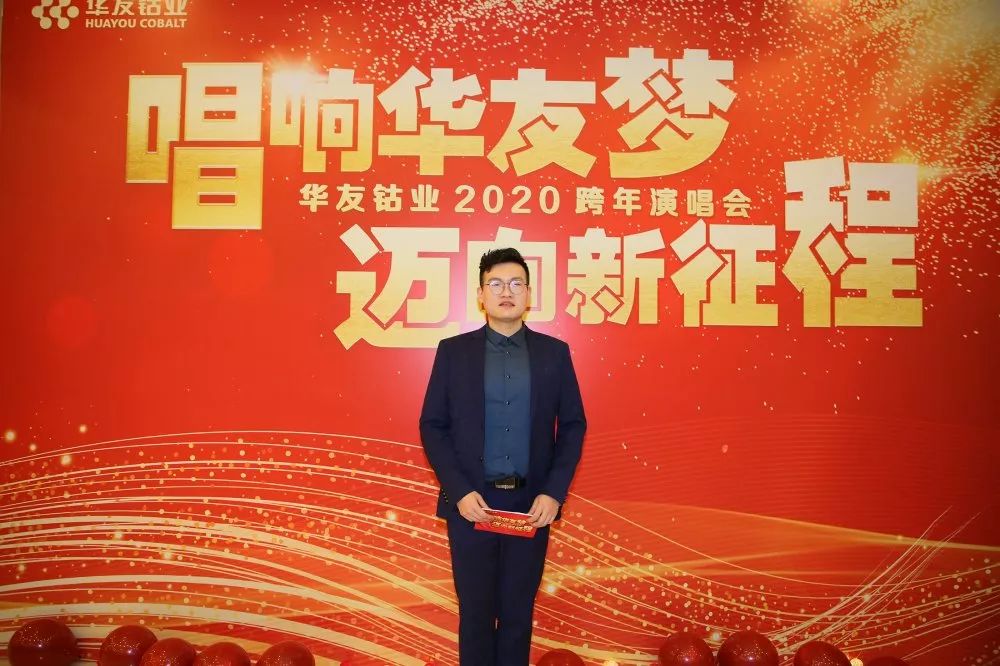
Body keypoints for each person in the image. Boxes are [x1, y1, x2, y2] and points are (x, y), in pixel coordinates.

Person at [420, 247, 587, 665]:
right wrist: (458, 491)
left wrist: (553, 493)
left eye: (516, 283)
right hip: (472, 504)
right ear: (481, 295)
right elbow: (432, 425)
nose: (506, 291)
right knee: (475, 615)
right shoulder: (453, 352)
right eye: (495, 283)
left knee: (517, 616)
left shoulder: (554, 353)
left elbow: (572, 426)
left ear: (528, 293)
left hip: (530, 507)